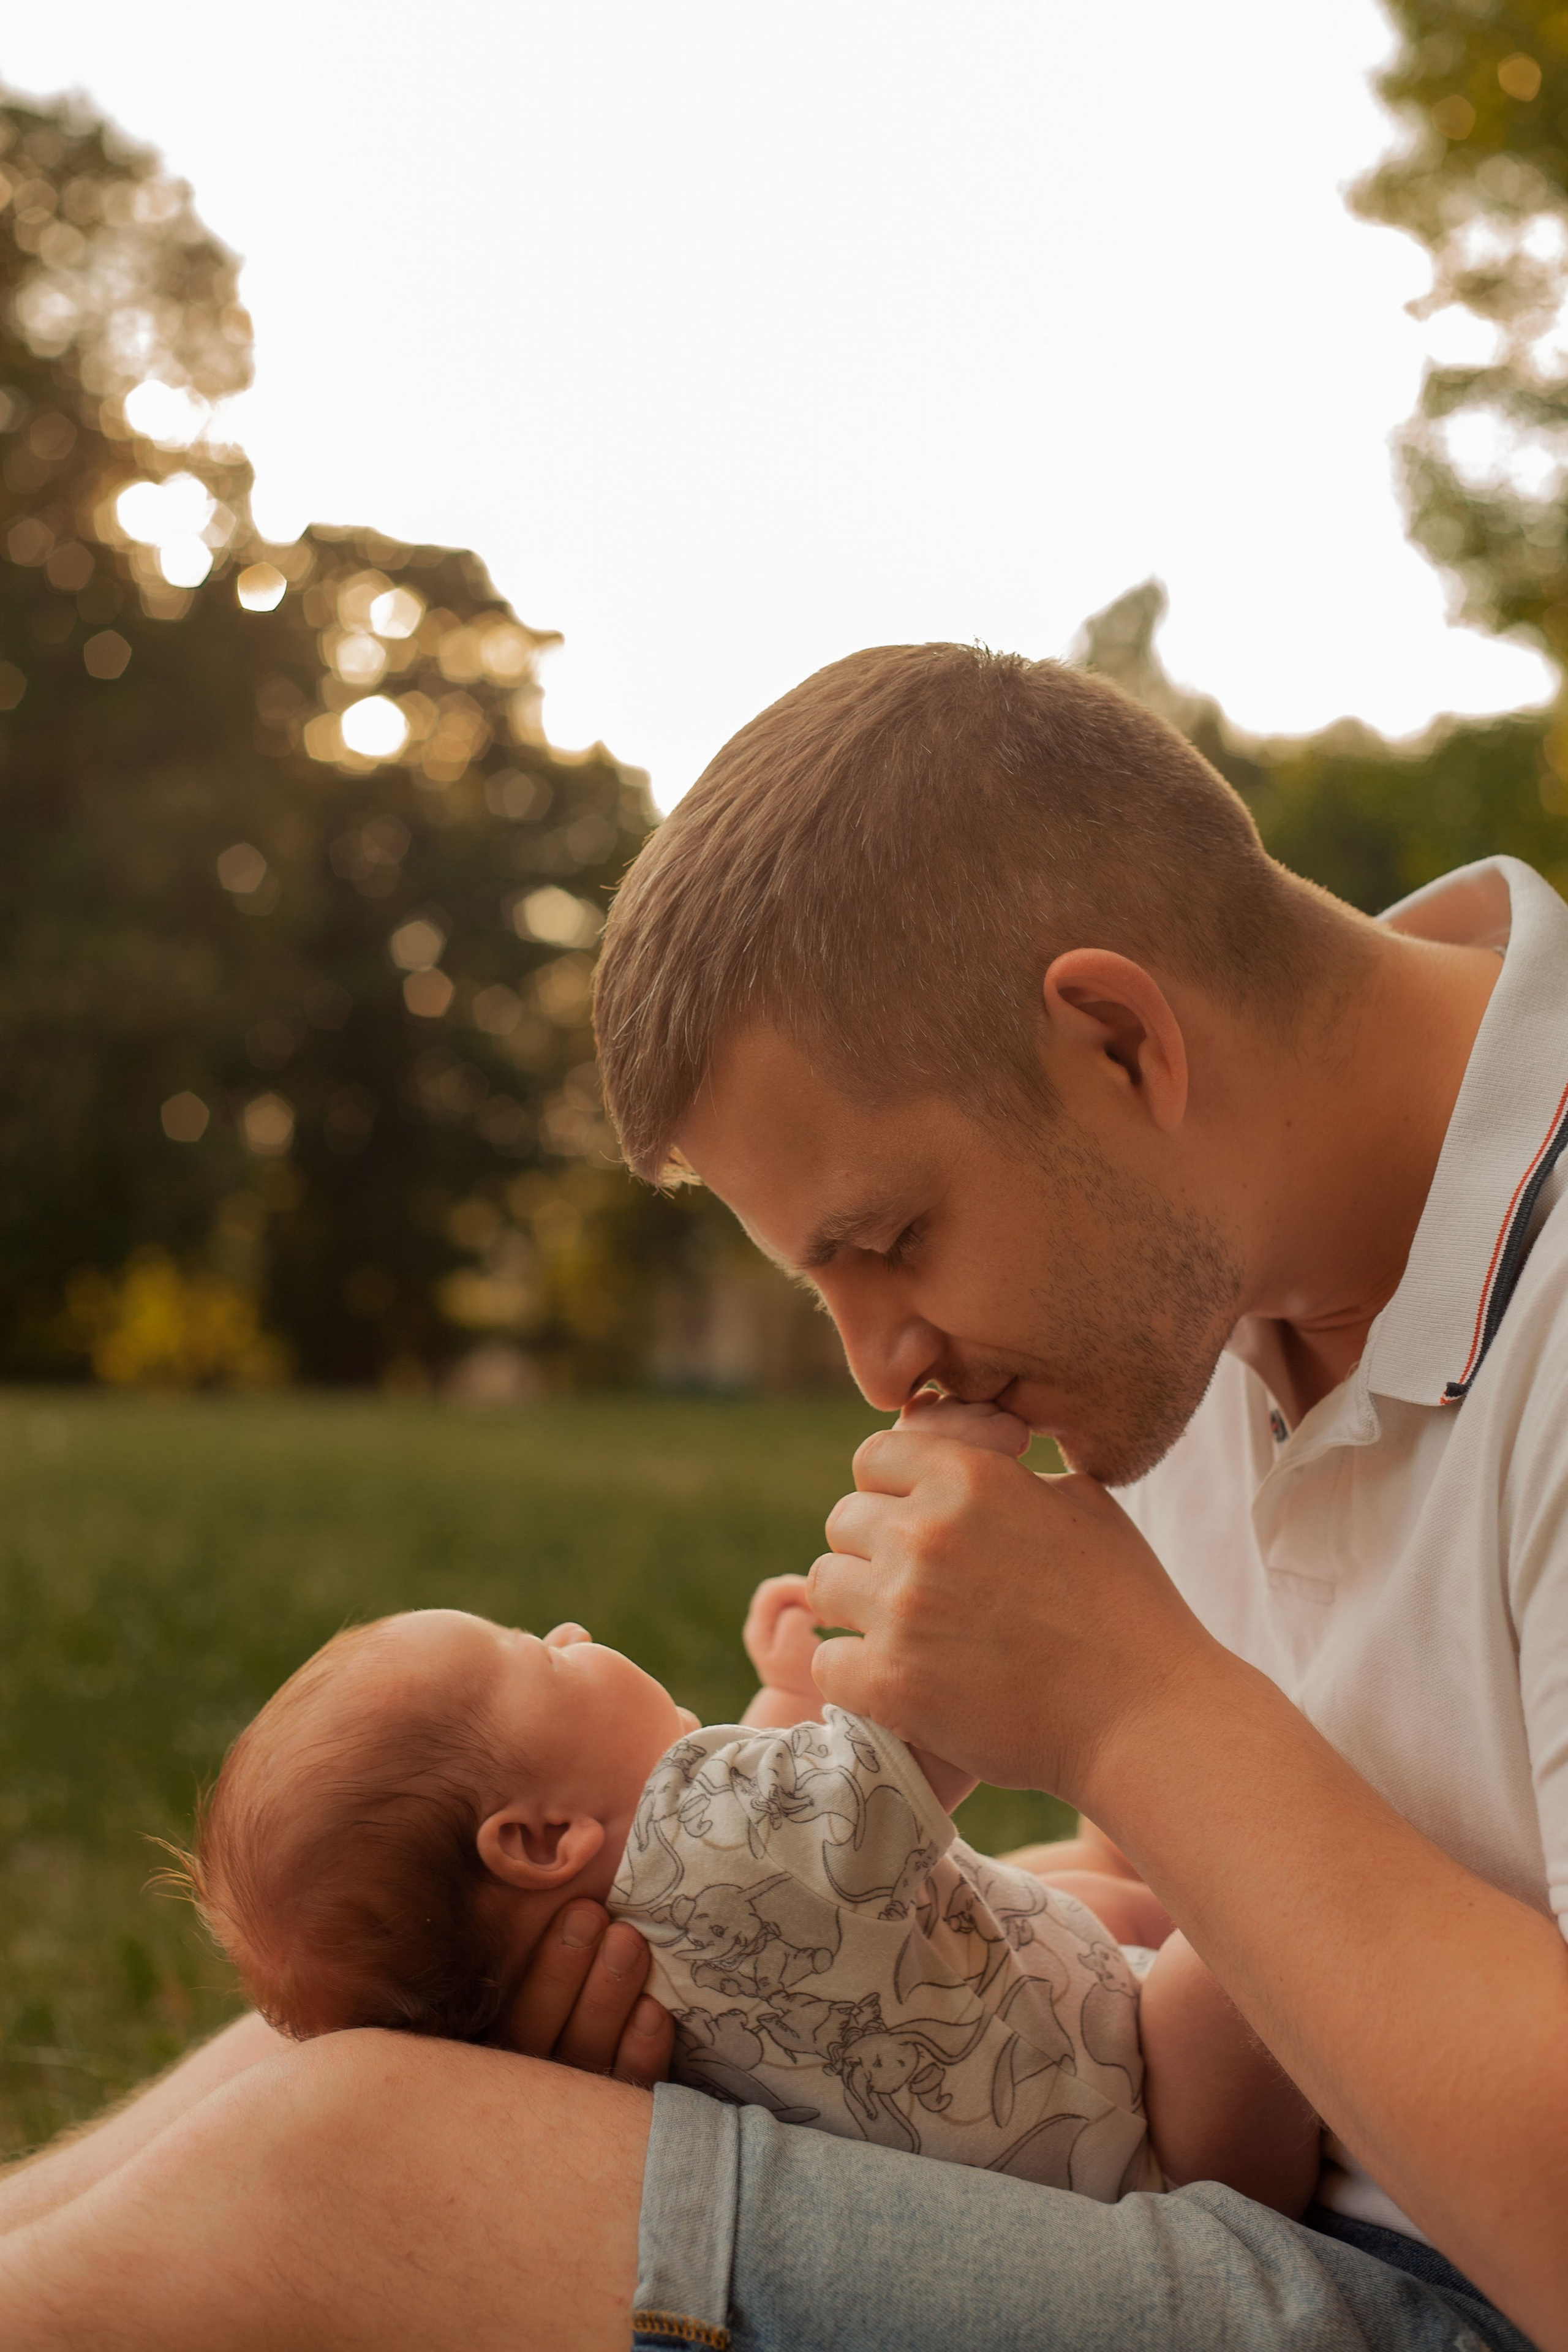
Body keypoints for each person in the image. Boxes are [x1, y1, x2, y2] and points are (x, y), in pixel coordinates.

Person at [2, 643, 1564, 2350]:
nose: (883, 1366)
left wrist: (1134, 1702)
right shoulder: (1195, 1277)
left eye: (888, 1243)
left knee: (345, 2171)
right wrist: (758, 1993)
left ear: (1117, 1040)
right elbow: (1159, 1887)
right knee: (345, 2058)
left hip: (1459, 2282)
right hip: (1207, 2157)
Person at [179, 1398, 1316, 2214]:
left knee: (1078, 1886)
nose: (574, 1632)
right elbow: (894, 1764)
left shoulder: (642, 1929)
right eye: (543, 1654)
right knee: (1245, 1945)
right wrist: (956, 1500)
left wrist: (782, 1692)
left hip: (1026, 2105)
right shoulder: (712, 1845)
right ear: (539, 1839)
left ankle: (1141, 1940)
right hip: (1149, 2141)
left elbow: (786, 1930)